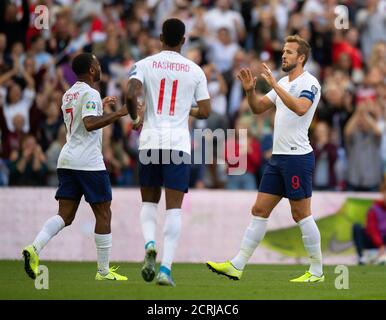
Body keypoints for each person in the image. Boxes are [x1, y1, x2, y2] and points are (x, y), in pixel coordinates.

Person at [207, 35, 325, 283]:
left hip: (297, 157)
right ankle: (237, 265)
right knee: (259, 209)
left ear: (301, 57)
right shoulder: (283, 81)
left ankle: (317, 271)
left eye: (289, 52)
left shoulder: (310, 82)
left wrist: (275, 85)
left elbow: (301, 108)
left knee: (301, 214)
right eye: (283, 51)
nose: (283, 55)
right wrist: (250, 91)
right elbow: (259, 107)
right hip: (279, 157)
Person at [22, 53, 129, 281]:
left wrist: (99, 105)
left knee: (65, 215)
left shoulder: (69, 93)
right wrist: (118, 113)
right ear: (91, 69)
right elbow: (89, 124)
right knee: (104, 213)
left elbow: (80, 120)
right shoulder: (91, 92)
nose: (100, 67)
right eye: (98, 64)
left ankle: (34, 248)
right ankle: (103, 271)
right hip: (88, 162)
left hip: (67, 159)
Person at [126, 18, 211, 286]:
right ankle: (165, 270)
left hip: (150, 142)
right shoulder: (195, 70)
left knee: (148, 203)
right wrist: (188, 109)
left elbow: (131, 93)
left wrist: (135, 117)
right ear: (184, 40)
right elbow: (206, 111)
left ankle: (150, 243)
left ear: (161, 37)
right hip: (177, 145)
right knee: (174, 209)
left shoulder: (144, 64)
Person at [352, 182, 386, 265]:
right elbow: (373, 229)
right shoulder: (374, 209)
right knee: (357, 227)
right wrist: (380, 245)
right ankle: (361, 258)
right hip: (374, 240)